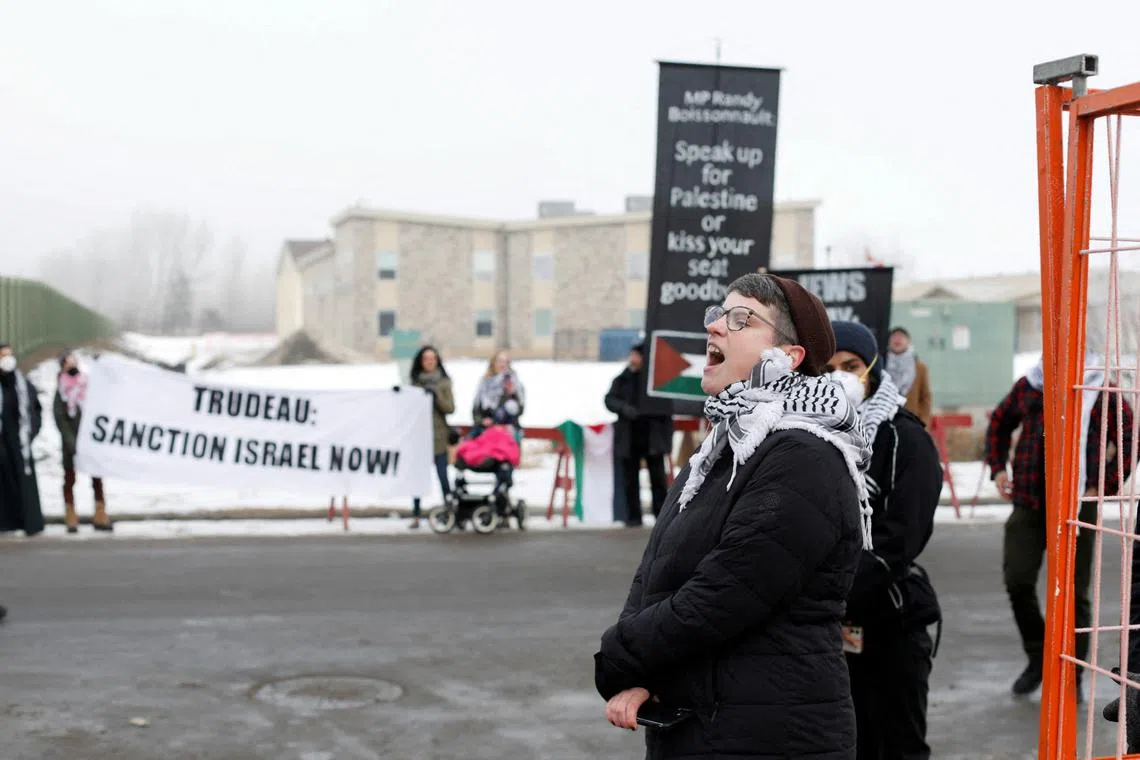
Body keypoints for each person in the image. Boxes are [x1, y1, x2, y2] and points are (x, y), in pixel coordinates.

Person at [595, 273, 873, 760]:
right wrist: (642, 675)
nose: (716, 329)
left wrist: (620, 657)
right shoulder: (724, 446)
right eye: (718, 315)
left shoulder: (805, 455)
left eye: (740, 319)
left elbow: (724, 593)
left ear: (788, 357)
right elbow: (656, 570)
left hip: (770, 734)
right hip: (707, 719)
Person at [986, 354, 1134, 699]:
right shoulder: (1032, 383)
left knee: (1073, 594)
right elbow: (999, 422)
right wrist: (998, 468)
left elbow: (1130, 438)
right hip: (1030, 500)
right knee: (1017, 579)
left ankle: (1072, 675)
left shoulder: (1100, 388)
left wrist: (1106, 483)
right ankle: (1039, 657)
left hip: (1077, 505)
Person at [828, 321, 943, 760]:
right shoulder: (804, 435)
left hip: (888, 623)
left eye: (851, 365)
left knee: (895, 744)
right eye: (827, 368)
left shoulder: (903, 436)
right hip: (820, 632)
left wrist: (837, 592)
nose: (839, 377)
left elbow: (902, 534)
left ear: (872, 369)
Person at [604, 341, 673, 526]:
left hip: (653, 437)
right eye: (631, 355)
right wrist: (625, 409)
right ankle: (633, 516)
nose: (632, 359)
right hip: (629, 437)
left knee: (657, 478)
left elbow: (668, 403)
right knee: (630, 479)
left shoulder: (656, 379)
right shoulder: (623, 379)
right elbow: (609, 400)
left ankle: (661, 515)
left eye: (636, 356)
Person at [54, 351, 112, 533]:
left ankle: (100, 512)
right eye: (69, 363)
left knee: (97, 478)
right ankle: (71, 514)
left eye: (75, 362)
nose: (73, 366)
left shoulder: (86, 384)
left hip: (90, 441)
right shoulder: (62, 390)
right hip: (71, 443)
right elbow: (60, 417)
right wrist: (70, 440)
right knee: (70, 479)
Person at [0, 342, 45, 537]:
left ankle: (27, 522)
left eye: (9, 354)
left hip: (19, 443)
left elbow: (34, 410)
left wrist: (30, 433)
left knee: (23, 484)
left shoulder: (22, 383)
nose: (8, 359)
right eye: (3, 355)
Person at [409, 346, 455, 530]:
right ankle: (416, 514)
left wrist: (436, 397)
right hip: (419, 436)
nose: (429, 362)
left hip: (439, 437)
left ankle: (449, 511)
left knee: (443, 476)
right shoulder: (414, 383)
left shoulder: (444, 382)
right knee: (418, 478)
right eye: (426, 359)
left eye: (433, 359)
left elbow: (450, 408)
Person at [885, 327, 933, 427]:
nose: (897, 340)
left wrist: (923, 421)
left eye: (901, 337)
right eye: (894, 337)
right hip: (885, 420)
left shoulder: (919, 367)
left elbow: (925, 397)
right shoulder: (882, 364)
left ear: (908, 341)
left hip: (911, 420)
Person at [472, 350, 525, 437]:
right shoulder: (484, 383)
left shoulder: (515, 383)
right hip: (486, 430)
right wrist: (482, 421)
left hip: (508, 432)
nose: (502, 364)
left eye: (505, 361)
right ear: (493, 363)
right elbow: (476, 409)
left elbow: (520, 410)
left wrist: (513, 394)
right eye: (499, 361)